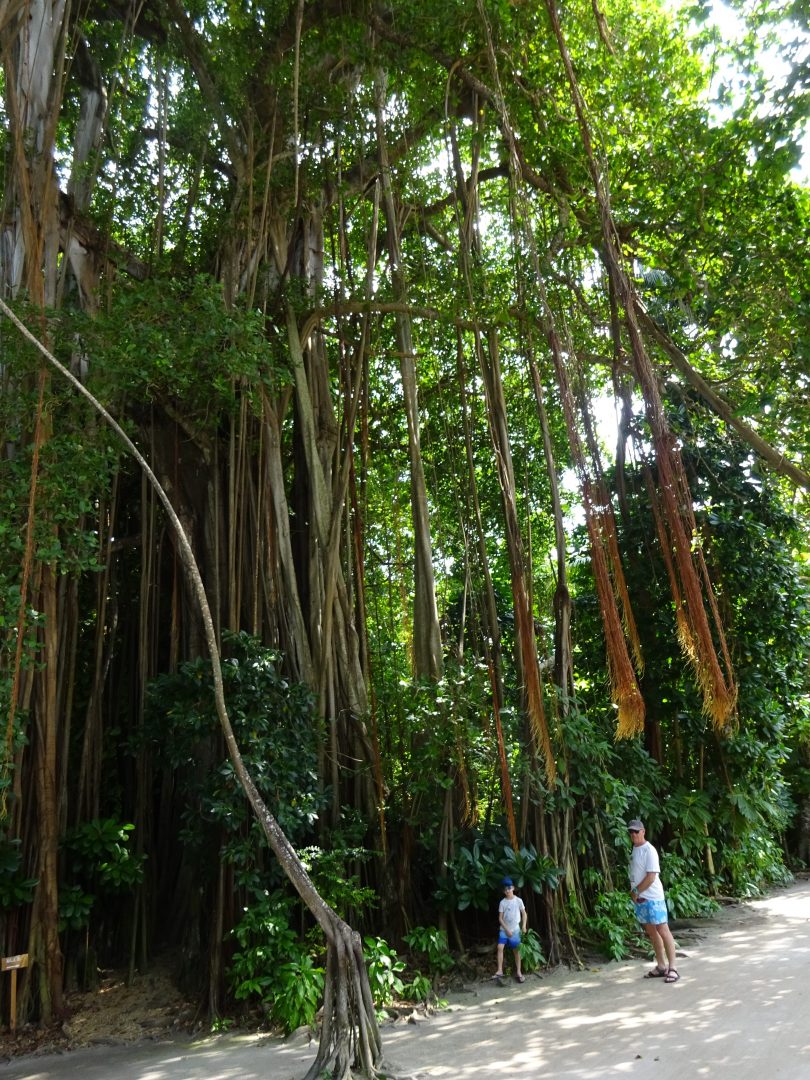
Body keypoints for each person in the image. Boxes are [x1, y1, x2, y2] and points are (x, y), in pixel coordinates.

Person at [627, 818, 680, 983]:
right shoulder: (634, 849)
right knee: (652, 932)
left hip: (653, 897)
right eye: (631, 832)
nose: (633, 834)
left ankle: (673, 968)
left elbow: (651, 876)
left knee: (663, 929)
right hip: (641, 899)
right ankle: (661, 966)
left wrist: (635, 891)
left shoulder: (649, 850)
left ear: (643, 831)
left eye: (636, 831)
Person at [494, 877, 528, 983]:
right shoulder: (502, 902)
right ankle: (499, 970)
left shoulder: (518, 901)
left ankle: (518, 972)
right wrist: (506, 930)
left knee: (516, 951)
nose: (507, 890)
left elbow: (524, 914)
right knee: (500, 947)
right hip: (504, 930)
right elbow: (500, 918)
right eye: (505, 889)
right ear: (503, 891)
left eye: (509, 888)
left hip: (515, 930)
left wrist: (524, 926)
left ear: (513, 888)